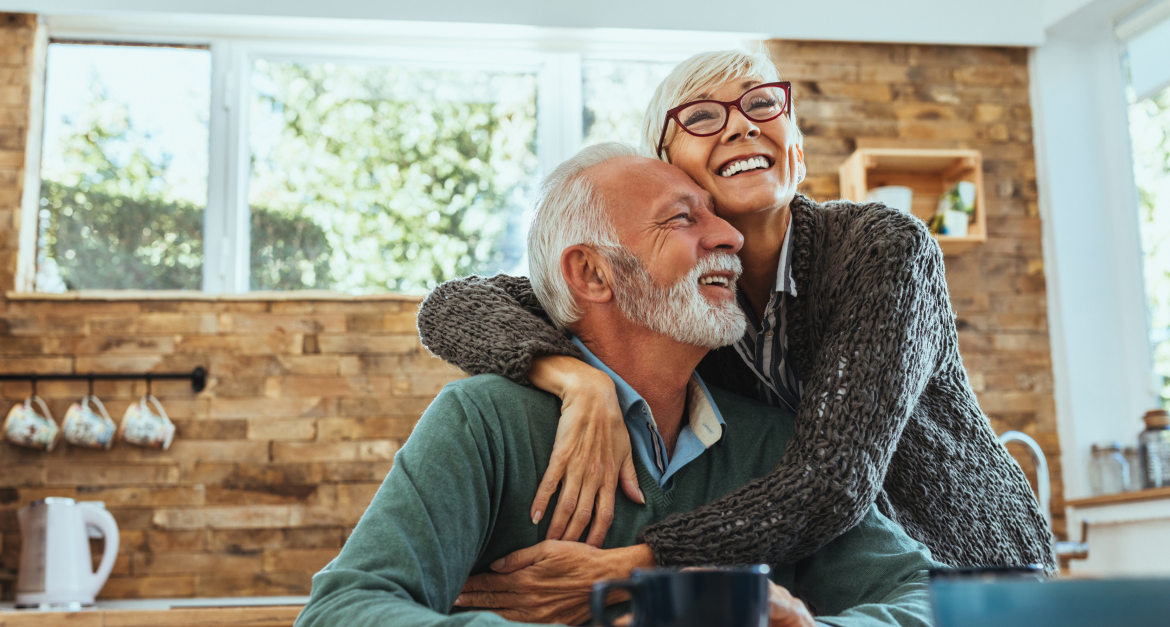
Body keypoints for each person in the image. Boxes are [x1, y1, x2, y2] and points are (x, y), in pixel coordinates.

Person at [417, 49, 1054, 594]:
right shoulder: (681, 298)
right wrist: (577, 380)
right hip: (832, 584)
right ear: (665, 168)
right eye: (700, 116)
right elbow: (453, 305)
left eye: (762, 105)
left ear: (797, 152)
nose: (742, 127)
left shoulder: (882, 249)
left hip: (971, 570)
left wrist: (638, 565)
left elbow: (832, 479)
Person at [295, 143, 940, 627]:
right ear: (593, 274)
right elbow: (342, 611)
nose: (730, 237)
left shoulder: (772, 441)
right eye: (684, 219)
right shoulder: (483, 422)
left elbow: (929, 600)